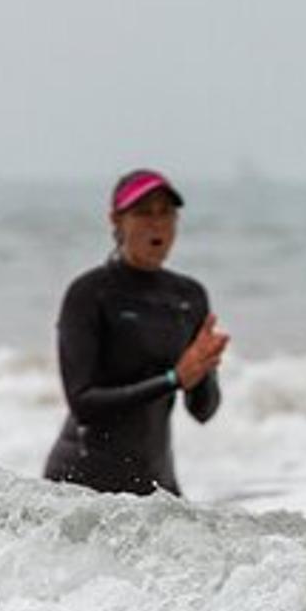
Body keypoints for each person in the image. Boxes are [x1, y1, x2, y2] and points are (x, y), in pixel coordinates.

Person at [44, 168, 229, 496]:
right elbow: (83, 402)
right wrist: (172, 379)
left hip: (157, 490)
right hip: (80, 487)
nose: (157, 223)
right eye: (143, 213)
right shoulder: (90, 294)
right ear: (116, 220)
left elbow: (203, 411)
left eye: (166, 213)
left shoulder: (189, 297)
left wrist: (201, 372)